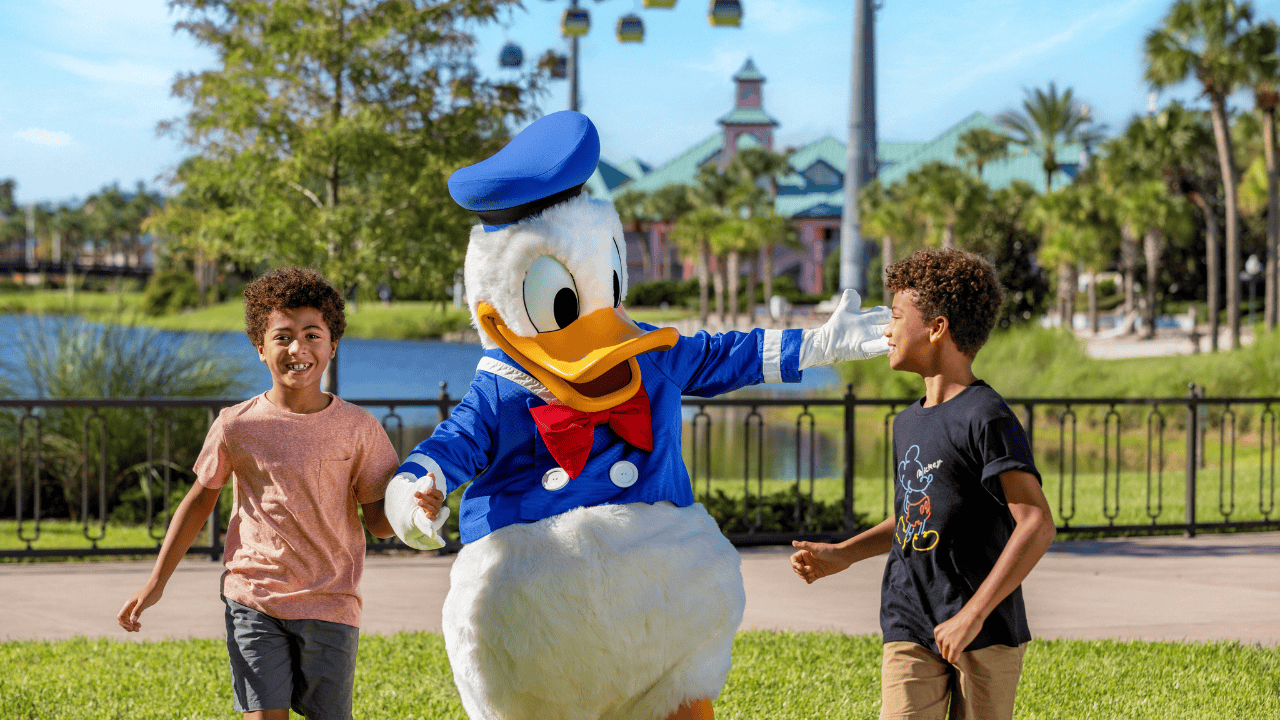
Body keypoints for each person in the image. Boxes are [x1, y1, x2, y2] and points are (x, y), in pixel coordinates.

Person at [116, 266, 442, 720]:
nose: (298, 348)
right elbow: (198, 502)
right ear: (260, 348)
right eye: (283, 336)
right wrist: (156, 583)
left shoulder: (359, 429)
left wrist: (417, 509)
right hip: (254, 597)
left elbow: (382, 525)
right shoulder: (236, 425)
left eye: (312, 335)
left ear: (332, 345)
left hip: (330, 601)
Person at [790, 248, 1056, 720]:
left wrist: (971, 615)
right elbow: (918, 512)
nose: (886, 330)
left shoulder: (985, 416)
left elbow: (1035, 522)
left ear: (937, 328)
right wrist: (843, 554)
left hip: (985, 628)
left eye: (895, 316)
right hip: (908, 615)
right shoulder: (907, 423)